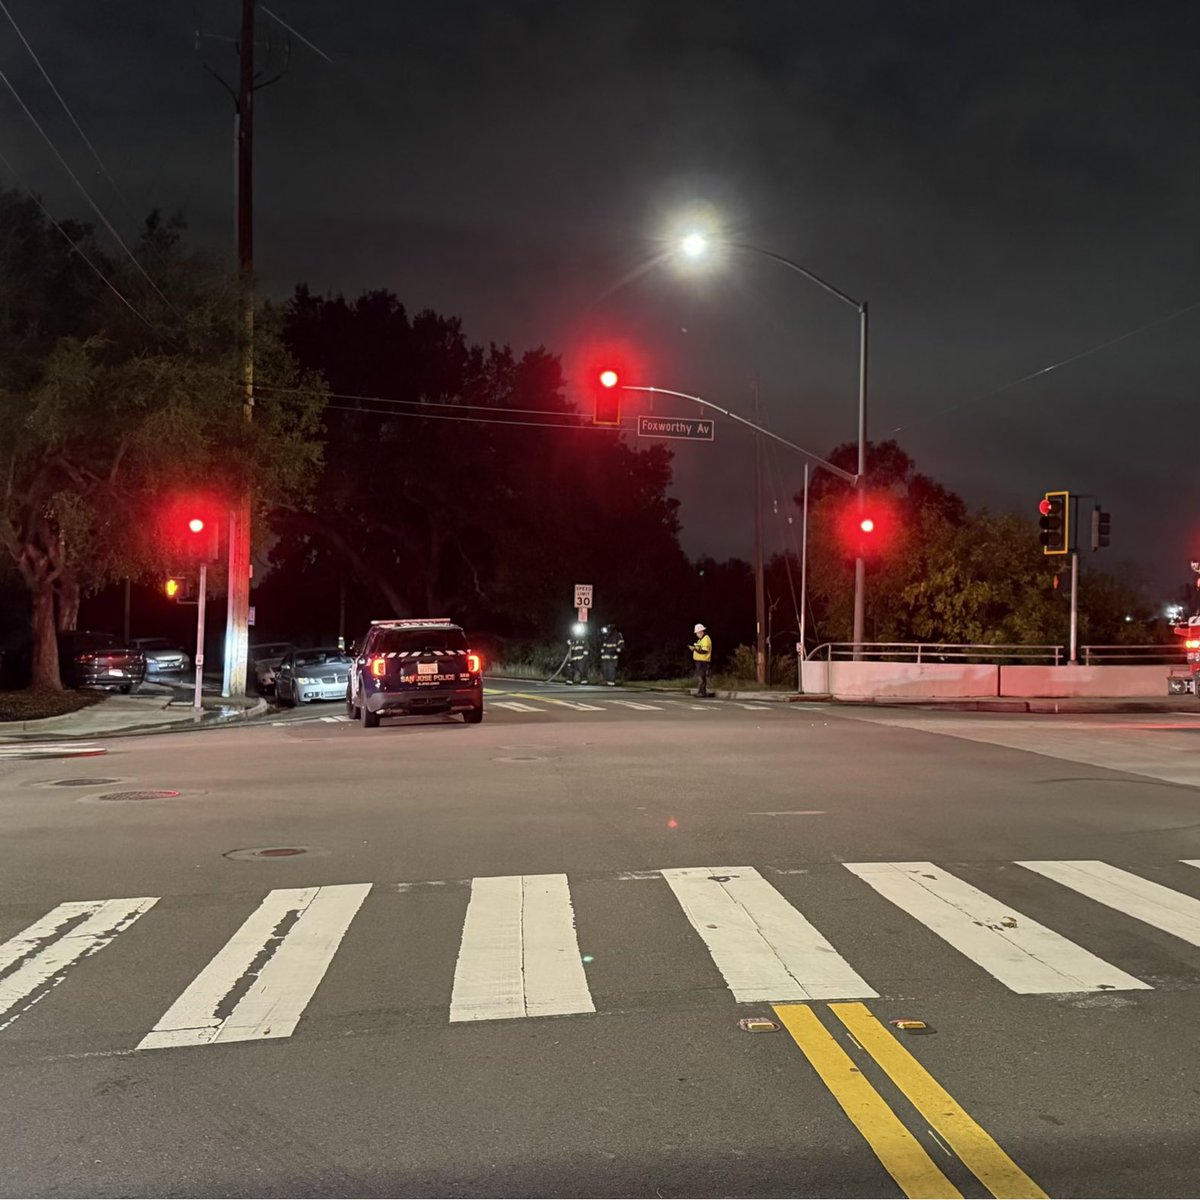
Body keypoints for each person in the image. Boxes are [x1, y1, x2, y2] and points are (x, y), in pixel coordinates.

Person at [689, 623, 712, 697]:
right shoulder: (701, 640)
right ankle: (701, 691)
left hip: (703, 661)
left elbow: (704, 651)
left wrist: (695, 649)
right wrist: (695, 648)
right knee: (701, 677)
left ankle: (702, 692)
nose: (696, 634)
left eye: (697, 632)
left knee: (702, 677)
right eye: (696, 633)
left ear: (701, 631)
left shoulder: (705, 639)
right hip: (700, 661)